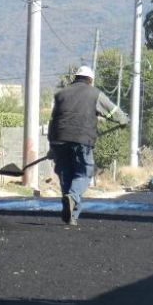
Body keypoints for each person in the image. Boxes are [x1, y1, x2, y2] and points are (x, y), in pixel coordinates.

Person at [48, 65, 129, 226]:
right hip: (82, 140)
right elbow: (114, 112)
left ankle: (72, 216)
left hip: (59, 140)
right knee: (84, 173)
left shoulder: (60, 94)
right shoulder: (95, 94)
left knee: (66, 175)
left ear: (75, 78)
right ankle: (72, 198)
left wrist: (52, 146)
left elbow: (53, 121)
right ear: (90, 80)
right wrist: (123, 120)